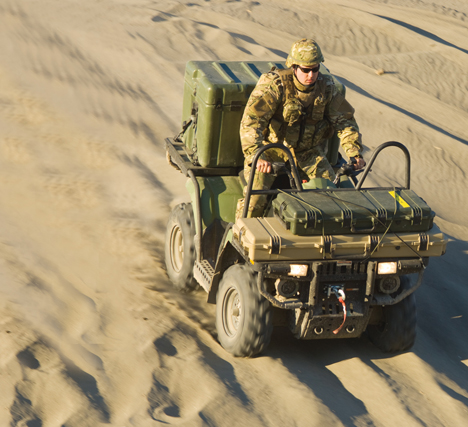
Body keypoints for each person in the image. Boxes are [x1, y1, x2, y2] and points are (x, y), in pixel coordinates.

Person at [237, 38, 365, 218]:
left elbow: (345, 122)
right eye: (305, 70)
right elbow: (252, 121)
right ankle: (241, 230)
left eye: (315, 69)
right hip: (272, 152)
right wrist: (255, 155)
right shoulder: (275, 85)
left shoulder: (327, 88)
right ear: (294, 67)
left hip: (309, 153)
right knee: (254, 201)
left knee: (333, 197)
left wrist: (354, 153)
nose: (311, 75)